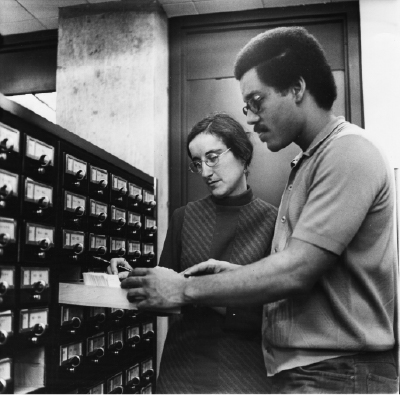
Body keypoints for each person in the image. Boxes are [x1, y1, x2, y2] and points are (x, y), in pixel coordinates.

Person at [117, 26, 399, 394]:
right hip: (311, 372)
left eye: (256, 100)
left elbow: (297, 270)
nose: (249, 117)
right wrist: (231, 276)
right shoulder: (309, 162)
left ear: (296, 88)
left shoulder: (349, 151)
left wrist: (187, 290)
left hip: (337, 374)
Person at [109, 112, 278, 393]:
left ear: (242, 153)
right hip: (182, 372)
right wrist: (129, 275)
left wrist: (203, 293)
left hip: (246, 374)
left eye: (213, 157)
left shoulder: (273, 221)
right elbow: (163, 297)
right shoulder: (184, 217)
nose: (205, 172)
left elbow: (278, 314)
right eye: (197, 163)